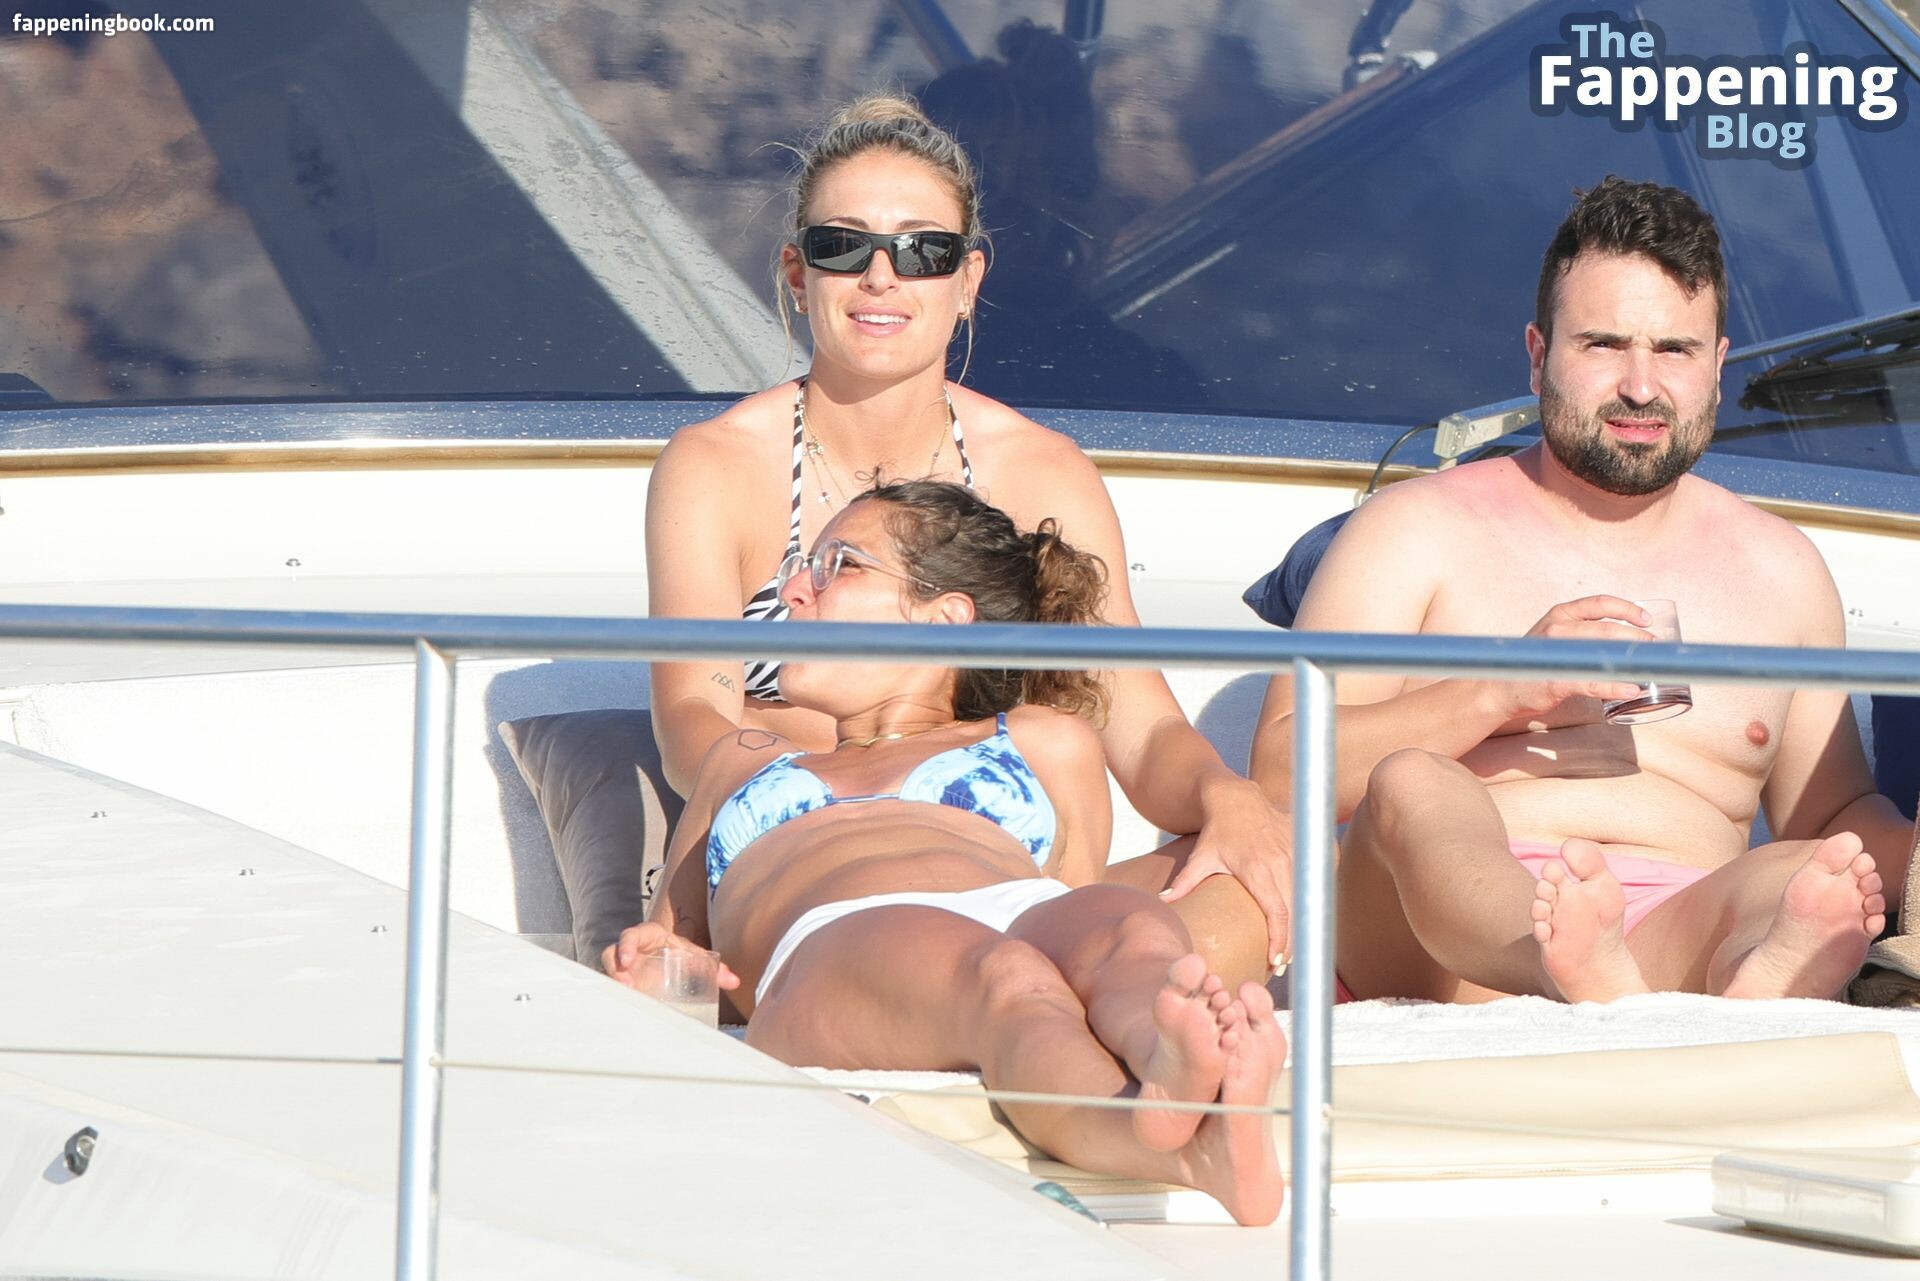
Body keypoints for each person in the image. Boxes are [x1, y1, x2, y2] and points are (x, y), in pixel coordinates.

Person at [645, 93, 1285, 979]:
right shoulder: (717, 464)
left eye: (922, 251)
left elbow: (1136, 721)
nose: (881, 277)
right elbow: (693, 715)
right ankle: (1093, 1004)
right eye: (843, 246)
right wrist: (828, 792)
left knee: (1246, 877)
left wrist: (1230, 798)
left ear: (968, 278)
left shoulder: (1039, 470)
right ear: (797, 272)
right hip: (806, 855)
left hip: (1001, 876)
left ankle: (1095, 996)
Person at [1248, 176, 1904, 1004]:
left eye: (1674, 350)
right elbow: (1277, 771)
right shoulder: (1414, 529)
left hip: (1666, 933)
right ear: (1537, 355)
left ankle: (1738, 981)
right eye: (1603, 345)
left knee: (1804, 872)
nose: (1641, 386)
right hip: (1443, 951)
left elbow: (1834, 810)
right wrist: (1500, 690)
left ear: (1717, 366)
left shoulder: (1785, 570)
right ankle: (1557, 960)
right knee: (1413, 780)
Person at [609, 480, 1285, 1225]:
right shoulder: (742, 760)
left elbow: (1068, 897)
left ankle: (1175, 1057)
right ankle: (1175, 1147)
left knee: (1126, 927)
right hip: (838, 944)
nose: (793, 591)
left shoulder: (1041, 739)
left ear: (944, 617)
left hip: (1017, 909)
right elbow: (672, 956)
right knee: (1009, 979)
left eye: (838, 565)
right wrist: (663, 971)